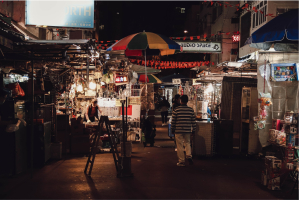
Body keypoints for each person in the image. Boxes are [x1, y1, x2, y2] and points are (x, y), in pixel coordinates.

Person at [171, 95, 196, 167]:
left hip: (178, 130)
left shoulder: (176, 110)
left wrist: (172, 129)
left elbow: (173, 121)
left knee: (179, 145)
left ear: (180, 100)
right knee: (187, 143)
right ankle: (189, 156)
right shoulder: (191, 110)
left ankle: (181, 161)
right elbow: (193, 121)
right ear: (187, 101)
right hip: (187, 129)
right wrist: (194, 130)